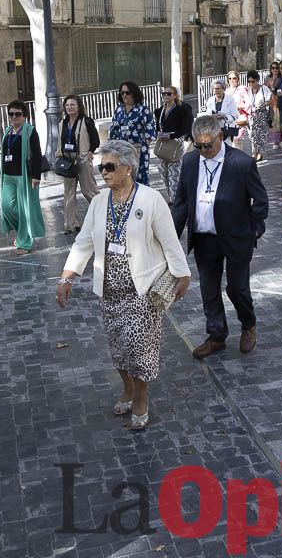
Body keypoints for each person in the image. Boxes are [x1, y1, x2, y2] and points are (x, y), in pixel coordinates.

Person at [57, 141, 191, 431]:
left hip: (143, 289)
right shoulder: (98, 202)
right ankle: (128, 387)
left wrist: (183, 275)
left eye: (110, 167)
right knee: (118, 346)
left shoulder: (150, 199)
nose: (103, 172)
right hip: (109, 289)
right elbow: (84, 242)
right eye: (101, 167)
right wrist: (67, 277)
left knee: (140, 346)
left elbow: (170, 241)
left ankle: (141, 395)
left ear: (128, 169)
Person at [171, 115, 268, 359]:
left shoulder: (242, 163)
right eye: (198, 145)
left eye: (208, 145)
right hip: (204, 237)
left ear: (220, 137)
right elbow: (182, 202)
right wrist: (171, 236)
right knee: (208, 289)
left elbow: (261, 200)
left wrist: (254, 230)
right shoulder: (191, 161)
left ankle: (248, 324)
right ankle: (216, 336)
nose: (203, 150)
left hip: (236, 236)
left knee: (237, 288)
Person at [0, 100, 45, 254]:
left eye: (17, 114)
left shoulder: (30, 131)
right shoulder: (7, 131)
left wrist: (36, 176)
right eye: (11, 114)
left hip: (24, 176)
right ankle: (22, 232)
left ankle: (25, 243)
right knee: (7, 207)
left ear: (24, 115)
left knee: (25, 210)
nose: (14, 117)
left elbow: (37, 155)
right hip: (8, 176)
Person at [60, 95, 101, 234]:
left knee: (89, 190)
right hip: (68, 161)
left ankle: (102, 217)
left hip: (82, 160)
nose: (69, 107)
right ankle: (70, 225)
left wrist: (90, 152)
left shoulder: (87, 121)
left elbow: (95, 140)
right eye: (67, 105)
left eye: (72, 104)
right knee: (69, 194)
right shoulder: (63, 123)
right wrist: (59, 155)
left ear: (79, 106)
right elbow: (60, 140)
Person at [110, 81, 157, 184]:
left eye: (127, 93)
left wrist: (144, 145)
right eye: (122, 93)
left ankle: (142, 199)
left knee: (139, 176)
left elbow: (150, 129)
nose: (124, 95)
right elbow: (114, 129)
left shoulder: (143, 110)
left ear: (134, 93)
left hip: (137, 149)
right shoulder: (119, 109)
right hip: (121, 150)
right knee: (124, 177)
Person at [153, 86, 192, 202]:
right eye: (164, 94)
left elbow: (185, 127)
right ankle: (171, 195)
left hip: (175, 143)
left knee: (174, 173)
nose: (166, 96)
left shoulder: (182, 109)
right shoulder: (160, 111)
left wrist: (171, 135)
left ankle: (176, 200)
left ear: (175, 95)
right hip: (163, 144)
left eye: (169, 94)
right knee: (163, 171)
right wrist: (158, 133)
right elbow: (157, 126)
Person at [239, 71, 274, 161]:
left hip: (261, 114)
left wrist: (263, 104)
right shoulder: (247, 90)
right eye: (249, 81)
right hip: (251, 114)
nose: (251, 83)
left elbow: (271, 100)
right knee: (251, 135)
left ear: (257, 80)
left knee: (259, 134)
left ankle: (256, 153)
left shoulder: (264, 88)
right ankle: (256, 152)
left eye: (253, 81)